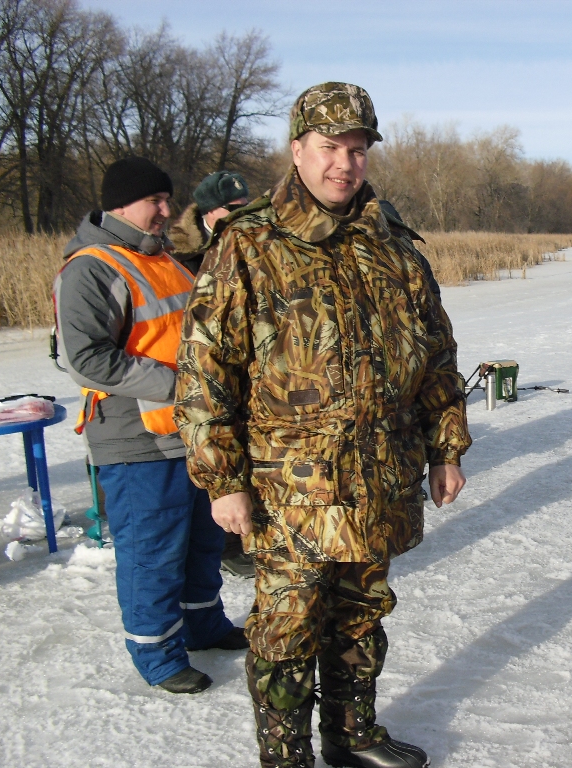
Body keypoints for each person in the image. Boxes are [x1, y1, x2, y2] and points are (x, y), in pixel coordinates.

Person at [175, 82, 472, 768]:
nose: (345, 163)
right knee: (286, 630)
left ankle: (353, 735)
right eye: (330, 147)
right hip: (291, 490)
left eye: (358, 149)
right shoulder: (248, 243)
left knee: (363, 615)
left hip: (379, 475)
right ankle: (286, 755)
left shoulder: (393, 245)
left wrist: (445, 447)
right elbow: (204, 371)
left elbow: (436, 354)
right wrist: (222, 478)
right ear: (298, 149)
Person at [53, 156, 247, 695]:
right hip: (136, 441)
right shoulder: (90, 267)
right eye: (154, 202)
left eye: (167, 199)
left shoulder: (165, 259)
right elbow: (86, 359)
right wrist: (180, 384)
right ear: (120, 204)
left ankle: (203, 624)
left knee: (203, 545)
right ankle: (156, 654)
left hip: (190, 433)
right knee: (153, 554)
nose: (167, 211)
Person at [170, 169, 254, 577]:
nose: (241, 215)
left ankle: (240, 540)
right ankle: (224, 545)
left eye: (245, 207)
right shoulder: (180, 258)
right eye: (232, 209)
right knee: (212, 460)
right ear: (207, 212)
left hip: (244, 378)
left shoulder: (254, 247)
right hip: (196, 377)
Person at [170, 170, 251, 274]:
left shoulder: (258, 241)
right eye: (234, 208)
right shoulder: (184, 255)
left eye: (246, 207)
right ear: (211, 210)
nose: (243, 214)